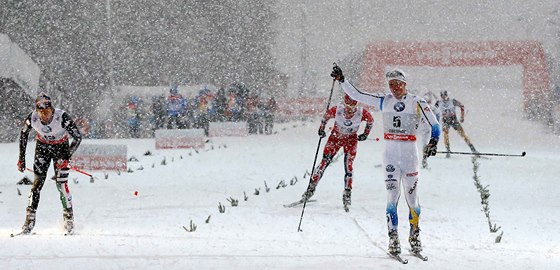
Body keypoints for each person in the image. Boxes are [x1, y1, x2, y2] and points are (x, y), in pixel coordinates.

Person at [331, 66, 440, 256]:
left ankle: (414, 235)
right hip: (390, 157)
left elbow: (435, 125)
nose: (394, 88)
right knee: (392, 197)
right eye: (391, 85)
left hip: (409, 157)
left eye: (397, 84)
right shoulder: (384, 100)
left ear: (404, 84)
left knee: (412, 199)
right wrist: (342, 80)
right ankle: (393, 239)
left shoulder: (417, 102)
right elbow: (357, 95)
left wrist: (433, 142)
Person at [17, 92, 82, 235]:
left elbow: (77, 136)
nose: (44, 116)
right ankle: (29, 220)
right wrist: (21, 158)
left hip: (61, 148)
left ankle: (68, 218)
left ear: (52, 109)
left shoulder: (62, 117)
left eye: (47, 111)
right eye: (41, 112)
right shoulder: (32, 117)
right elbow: (23, 135)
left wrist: (66, 157)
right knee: (37, 183)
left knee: (61, 184)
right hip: (43, 148)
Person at [301, 94, 374, 212]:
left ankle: (347, 194)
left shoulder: (361, 113)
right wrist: (321, 129)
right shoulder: (337, 110)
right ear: (344, 104)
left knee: (348, 167)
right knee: (323, 163)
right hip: (335, 138)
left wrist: (365, 134)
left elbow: (370, 121)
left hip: (351, 141)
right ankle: (310, 189)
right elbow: (325, 117)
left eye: (352, 106)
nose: (349, 109)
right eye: (347, 106)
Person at [434, 90, 477, 158]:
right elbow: (434, 110)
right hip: (445, 120)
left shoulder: (452, 101)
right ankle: (448, 150)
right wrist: (435, 119)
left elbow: (462, 106)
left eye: (444, 95)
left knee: (462, 134)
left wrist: (462, 117)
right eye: (442, 96)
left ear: (447, 95)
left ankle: (473, 149)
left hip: (453, 119)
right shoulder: (439, 102)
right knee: (445, 134)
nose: (443, 97)